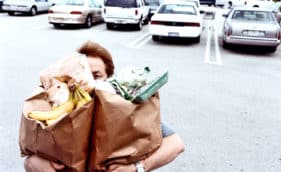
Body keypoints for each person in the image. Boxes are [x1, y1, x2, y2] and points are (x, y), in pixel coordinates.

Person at [24, 41, 185, 172]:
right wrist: (32, 162)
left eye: (96, 75)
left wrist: (137, 167)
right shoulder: (59, 106)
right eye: (80, 74)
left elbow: (175, 144)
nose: (86, 81)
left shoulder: (123, 108)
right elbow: (31, 152)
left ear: (109, 78)